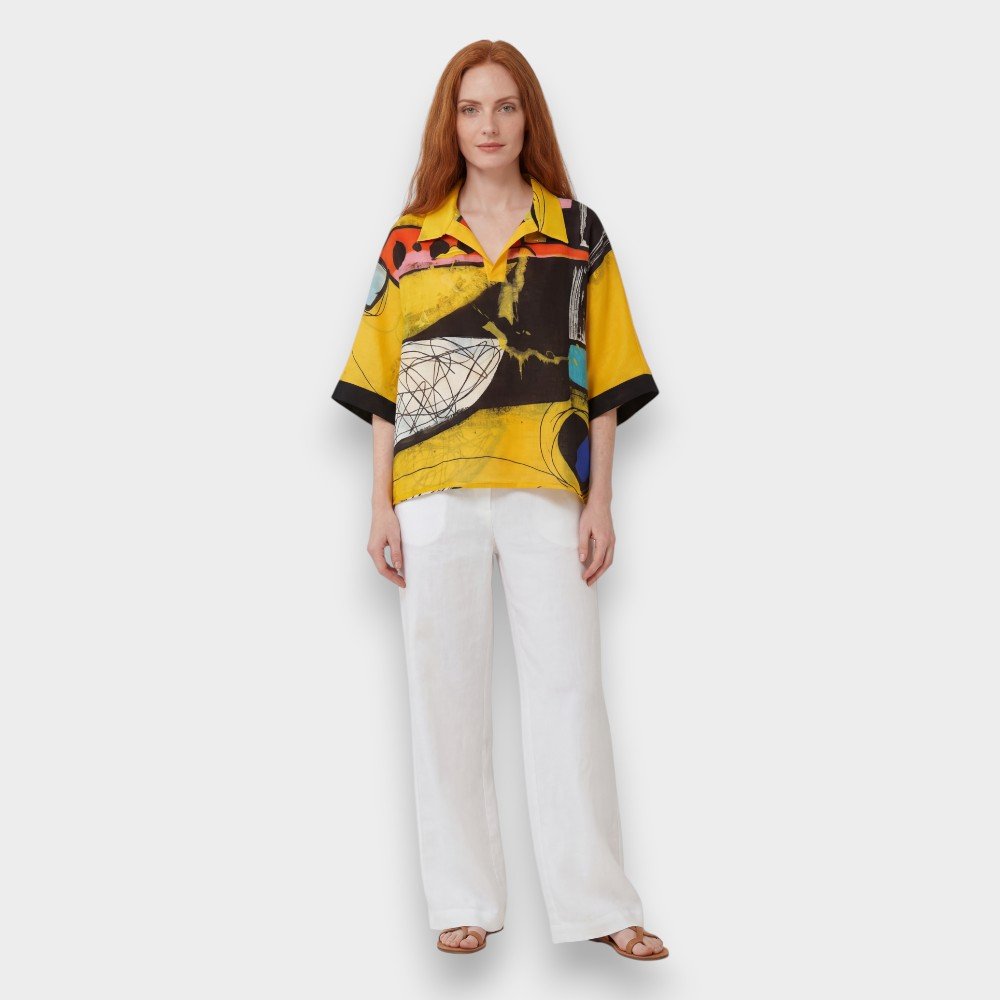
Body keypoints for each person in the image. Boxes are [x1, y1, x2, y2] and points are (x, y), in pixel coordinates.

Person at [331, 39, 668, 961]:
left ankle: (600, 905)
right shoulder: (410, 240)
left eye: (506, 107)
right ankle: (463, 900)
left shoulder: (577, 232)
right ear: (452, 121)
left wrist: (601, 501)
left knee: (569, 691)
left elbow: (607, 376)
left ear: (529, 118)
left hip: (546, 488)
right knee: (443, 695)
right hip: (431, 493)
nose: (489, 125)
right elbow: (381, 384)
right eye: (472, 108)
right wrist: (379, 506)